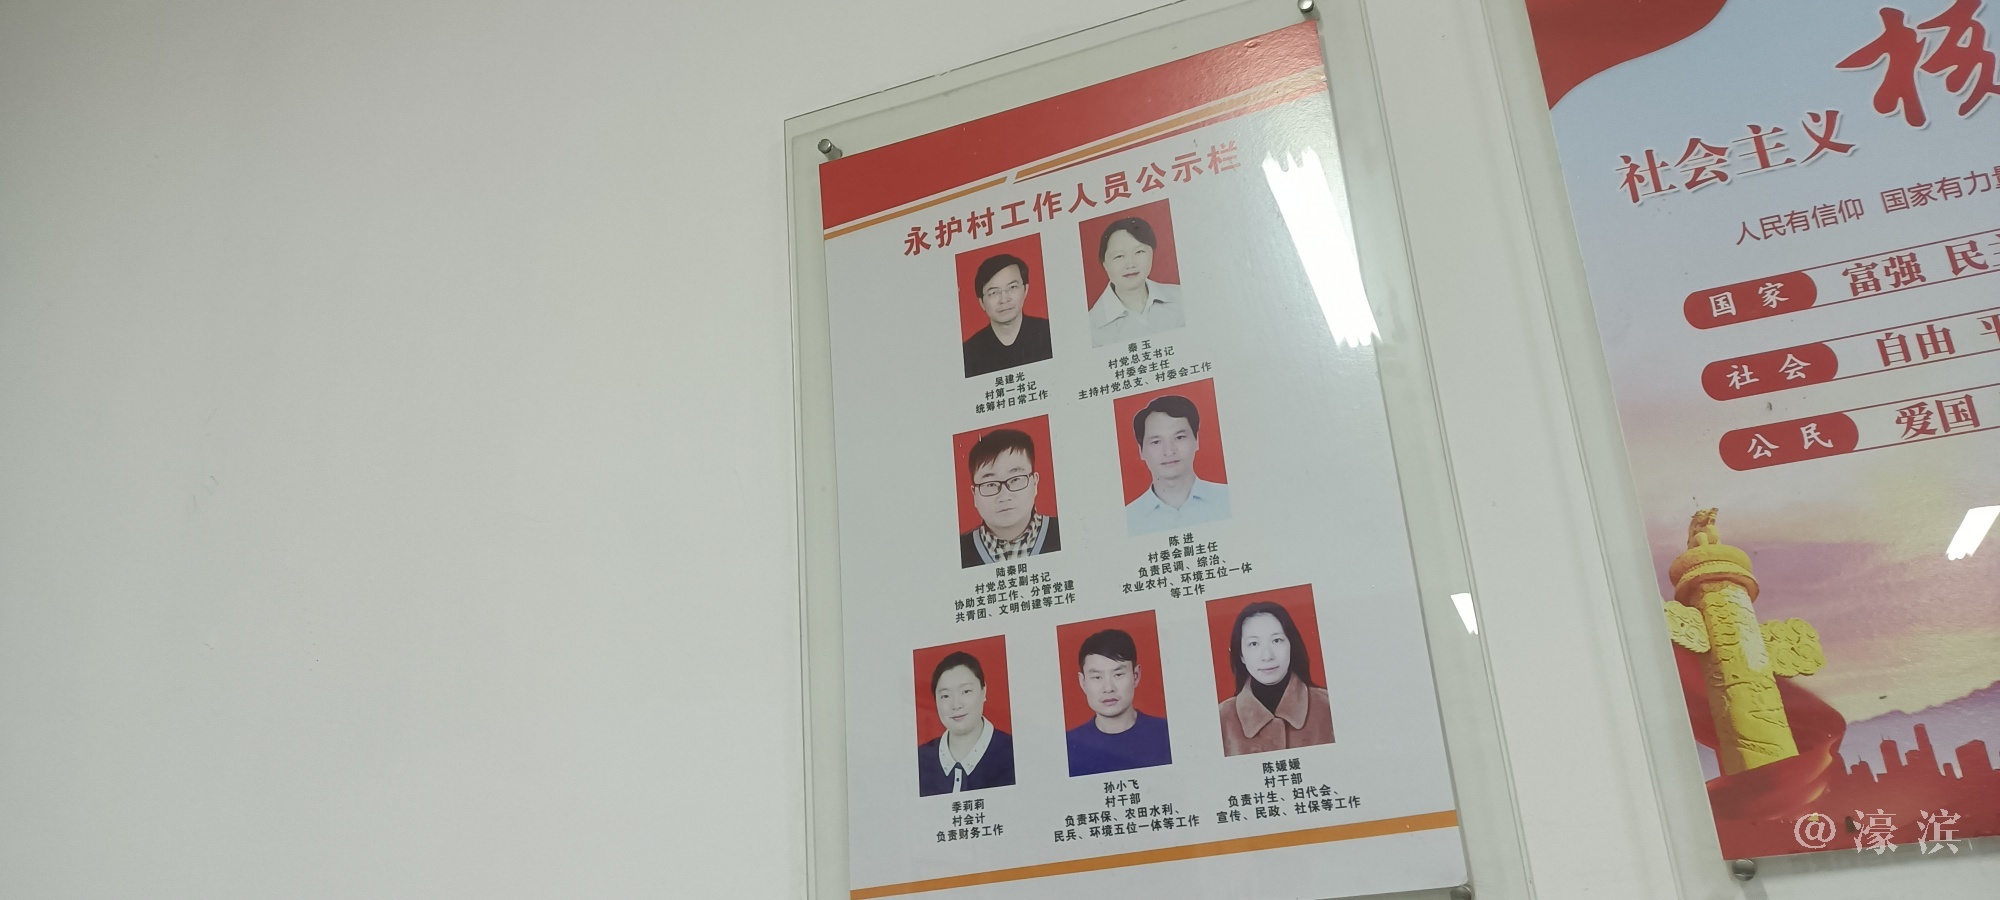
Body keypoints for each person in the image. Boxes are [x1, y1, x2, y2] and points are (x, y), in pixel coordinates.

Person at [1217, 601, 1335, 756]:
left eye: (1277, 640)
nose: (1267, 656)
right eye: (1254, 644)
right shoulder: (1221, 719)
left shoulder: (1329, 706)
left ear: (1291, 646)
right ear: (1241, 655)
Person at [1065, 629, 1172, 776]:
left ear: (1136, 676)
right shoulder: (1068, 745)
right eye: (1097, 677)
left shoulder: (1167, 733)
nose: (1108, 688)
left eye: (1118, 674)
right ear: (1082, 682)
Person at [1124, 394, 1231, 535]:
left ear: (1196, 440)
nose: (1169, 451)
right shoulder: (1128, 519)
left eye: (1179, 437)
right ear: (1141, 450)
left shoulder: (1229, 499)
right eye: (1156, 442)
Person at [918, 651, 1017, 796]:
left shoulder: (1014, 752)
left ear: (984, 691)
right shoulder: (920, 759)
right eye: (945, 695)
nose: (956, 705)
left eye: (966, 691)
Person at [960, 428, 1062, 568]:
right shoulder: (957, 551)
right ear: (974, 495)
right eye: (990, 484)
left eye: (1015, 479)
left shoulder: (1064, 532)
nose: (1004, 496)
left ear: (1034, 483)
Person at [1088, 216, 1184, 348]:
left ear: (1151, 254)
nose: (1130, 264)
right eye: (1119, 256)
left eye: (1139, 252)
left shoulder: (1181, 296)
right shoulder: (1090, 326)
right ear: (1104, 263)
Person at [962, 253, 1054, 377]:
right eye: (994, 292)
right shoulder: (968, 352)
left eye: (1012, 287)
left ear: (1025, 290)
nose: (1004, 299)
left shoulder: (1050, 331)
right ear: (982, 302)